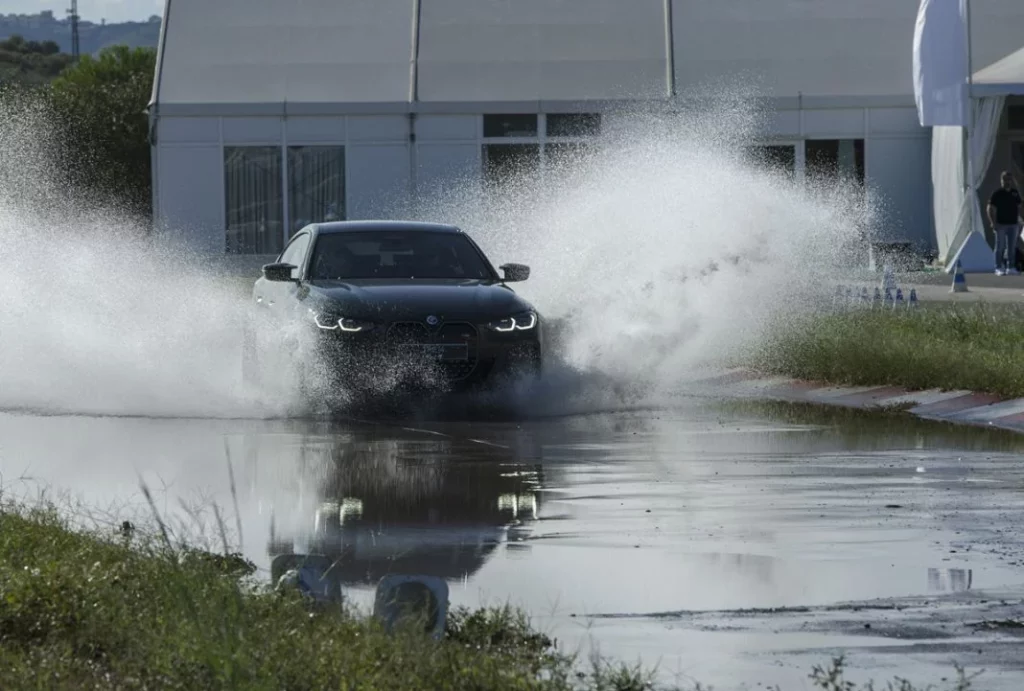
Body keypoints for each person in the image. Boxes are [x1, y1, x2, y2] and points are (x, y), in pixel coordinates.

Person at [987, 171, 1023, 276]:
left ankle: (1010, 267)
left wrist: (1021, 220)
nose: (1007, 182)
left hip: (1013, 224)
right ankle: (998, 267)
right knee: (1000, 246)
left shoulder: (1015, 193)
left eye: (1009, 180)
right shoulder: (997, 193)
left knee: (1011, 247)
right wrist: (992, 222)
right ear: (1001, 180)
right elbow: (990, 208)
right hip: (1001, 224)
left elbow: (1020, 206)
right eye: (1005, 179)